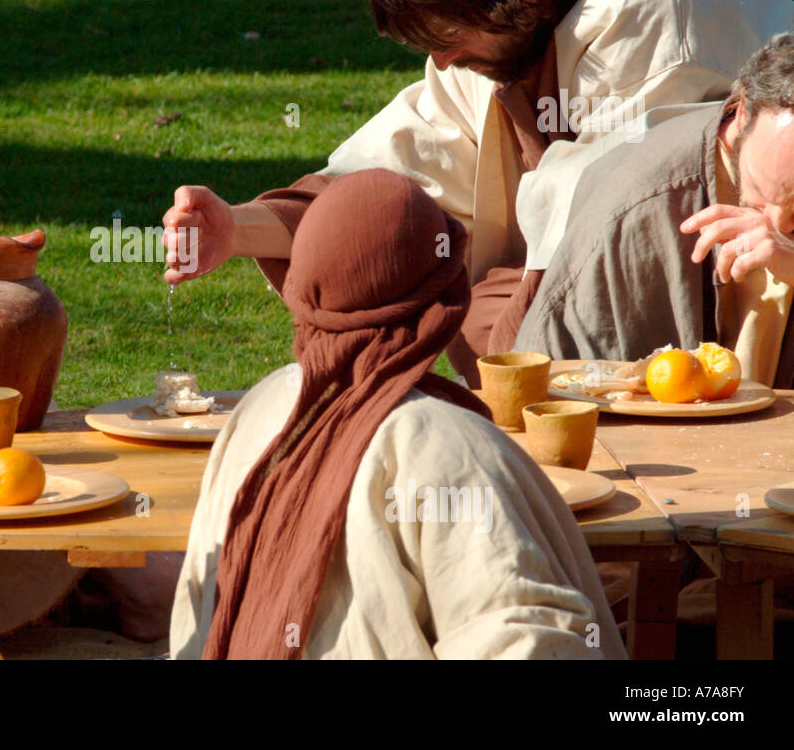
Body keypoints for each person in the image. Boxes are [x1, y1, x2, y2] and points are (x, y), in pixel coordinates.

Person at [163, 0, 794, 383]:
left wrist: (514, 366)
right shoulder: (508, 34)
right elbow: (398, 172)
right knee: (416, 262)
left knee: (500, 320)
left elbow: (617, 221)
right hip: (604, 272)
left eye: (450, 35)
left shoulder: (656, 10)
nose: (443, 60)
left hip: (753, 276)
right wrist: (237, 227)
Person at [170, 169, 623, 659]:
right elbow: (527, 642)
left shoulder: (259, 410)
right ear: (445, 295)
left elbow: (194, 623)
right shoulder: (448, 448)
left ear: (303, 294)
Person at [514, 33, 794, 384]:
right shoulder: (636, 206)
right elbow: (551, 390)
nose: (777, 225)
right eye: (760, 195)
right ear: (743, 113)